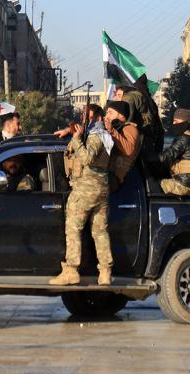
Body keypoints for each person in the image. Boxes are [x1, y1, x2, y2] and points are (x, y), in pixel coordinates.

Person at [49, 113, 114, 286]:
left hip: (85, 190)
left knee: (73, 229)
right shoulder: (105, 135)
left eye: (89, 117)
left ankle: (71, 270)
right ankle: (105, 272)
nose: (86, 120)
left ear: (98, 117)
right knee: (100, 232)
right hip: (101, 189)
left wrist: (76, 139)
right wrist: (70, 131)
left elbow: (87, 158)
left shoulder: (96, 136)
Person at [158, 109, 190, 196]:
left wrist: (148, 157)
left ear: (185, 123)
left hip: (182, 185)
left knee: (153, 185)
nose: (174, 124)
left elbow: (165, 157)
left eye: (176, 121)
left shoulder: (184, 138)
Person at [103, 100, 141, 191]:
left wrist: (112, 131)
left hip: (117, 179)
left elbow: (129, 151)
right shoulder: (115, 129)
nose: (107, 116)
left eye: (110, 113)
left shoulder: (129, 129)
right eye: (107, 112)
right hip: (108, 174)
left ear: (121, 115)